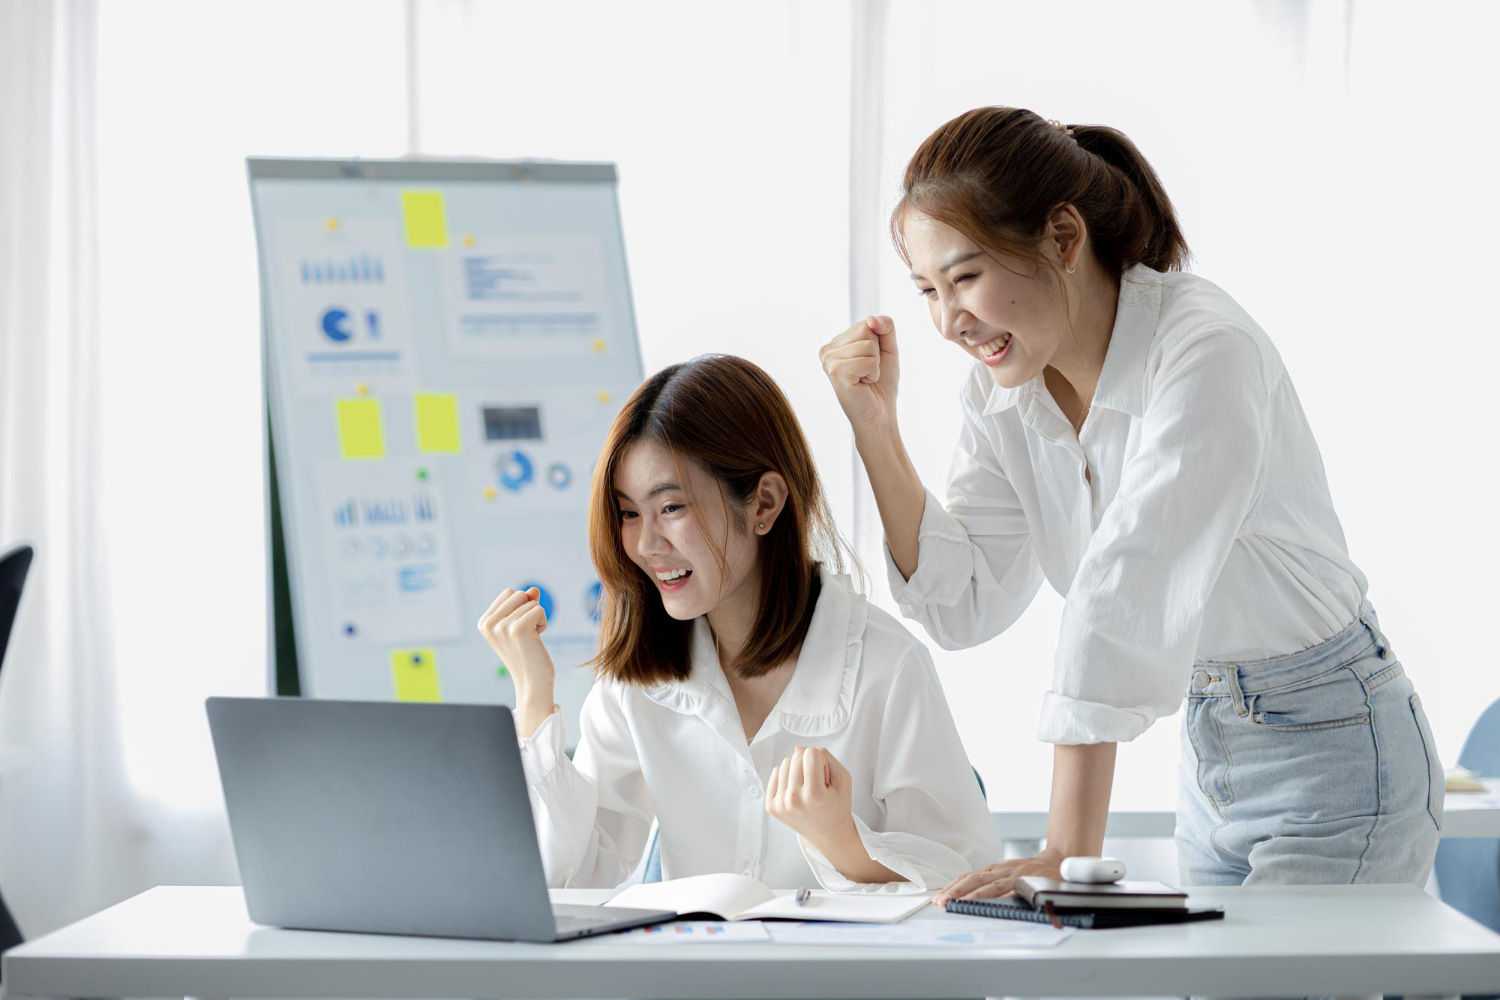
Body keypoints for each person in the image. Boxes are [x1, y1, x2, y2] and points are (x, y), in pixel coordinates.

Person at [818, 107, 1442, 897]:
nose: (948, 322)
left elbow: (1124, 587)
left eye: (966, 277)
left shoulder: (1205, 349)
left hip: (1336, 743)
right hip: (1211, 744)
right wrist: (875, 430)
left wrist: (1062, 850)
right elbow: (963, 601)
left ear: (1064, 238)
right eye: (927, 290)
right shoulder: (1002, 394)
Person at [479, 354, 998, 891]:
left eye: (672, 507)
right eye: (630, 513)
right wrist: (534, 701)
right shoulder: (638, 682)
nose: (647, 544)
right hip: (696, 973)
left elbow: (966, 880)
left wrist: (842, 843)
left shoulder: (887, 668)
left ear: (764, 504)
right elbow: (572, 881)